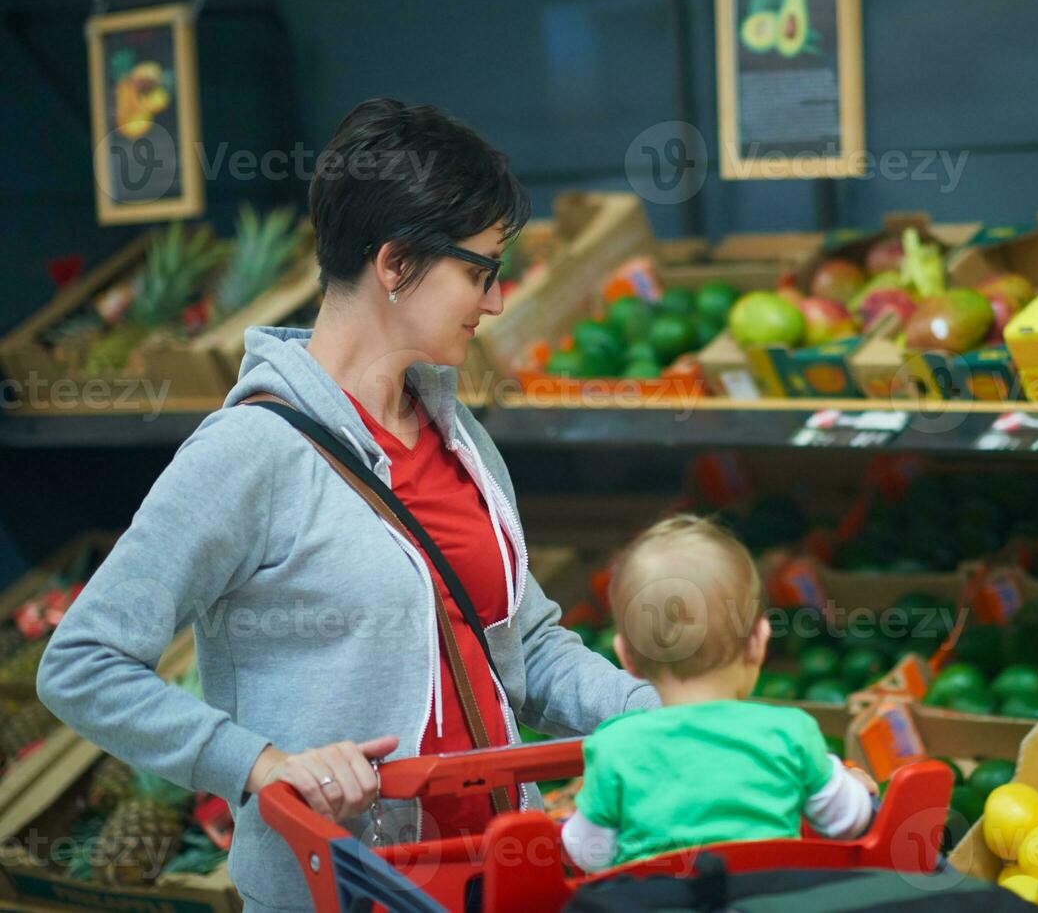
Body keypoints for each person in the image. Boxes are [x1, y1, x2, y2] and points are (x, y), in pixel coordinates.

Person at [37, 98, 659, 912]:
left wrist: (648, 714)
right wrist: (259, 765)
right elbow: (81, 663)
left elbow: (522, 646)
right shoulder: (250, 453)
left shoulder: (457, 435)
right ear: (396, 265)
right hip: (345, 892)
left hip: (504, 874)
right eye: (479, 271)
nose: (496, 300)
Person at [561, 515, 877, 872]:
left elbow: (587, 853)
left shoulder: (614, 746)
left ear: (627, 658)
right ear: (758, 643)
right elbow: (846, 821)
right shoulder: (790, 733)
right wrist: (849, 785)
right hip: (766, 898)